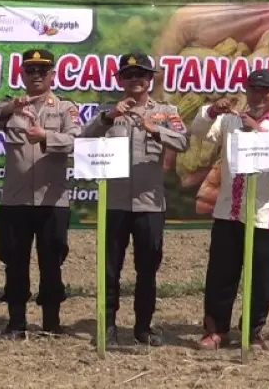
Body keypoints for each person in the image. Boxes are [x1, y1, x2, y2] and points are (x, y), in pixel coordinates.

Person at [81, 52, 189, 347]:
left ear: (150, 78)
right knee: (110, 269)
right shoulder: (107, 110)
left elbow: (183, 141)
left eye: (140, 74)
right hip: (114, 203)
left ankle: (143, 327)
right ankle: (107, 326)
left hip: (149, 203)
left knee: (147, 269)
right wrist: (108, 117)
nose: (135, 80)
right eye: (128, 75)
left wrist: (157, 130)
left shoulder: (166, 111)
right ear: (120, 80)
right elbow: (83, 137)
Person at [190, 68, 269, 350]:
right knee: (221, 274)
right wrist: (212, 110)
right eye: (253, 89)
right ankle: (216, 329)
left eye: (265, 91)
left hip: (263, 213)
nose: (258, 96)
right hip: (228, 210)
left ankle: (252, 331)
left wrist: (258, 131)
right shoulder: (231, 121)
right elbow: (200, 130)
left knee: (261, 277)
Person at [0, 48, 82, 337]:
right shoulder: (11, 106)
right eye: (30, 70)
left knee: (52, 262)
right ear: (22, 74)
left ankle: (51, 322)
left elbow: (78, 139)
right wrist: (11, 108)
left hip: (52, 200)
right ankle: (16, 322)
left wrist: (47, 136)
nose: (37, 75)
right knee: (14, 262)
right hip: (16, 200)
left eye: (42, 70)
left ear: (52, 75)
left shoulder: (64, 108)